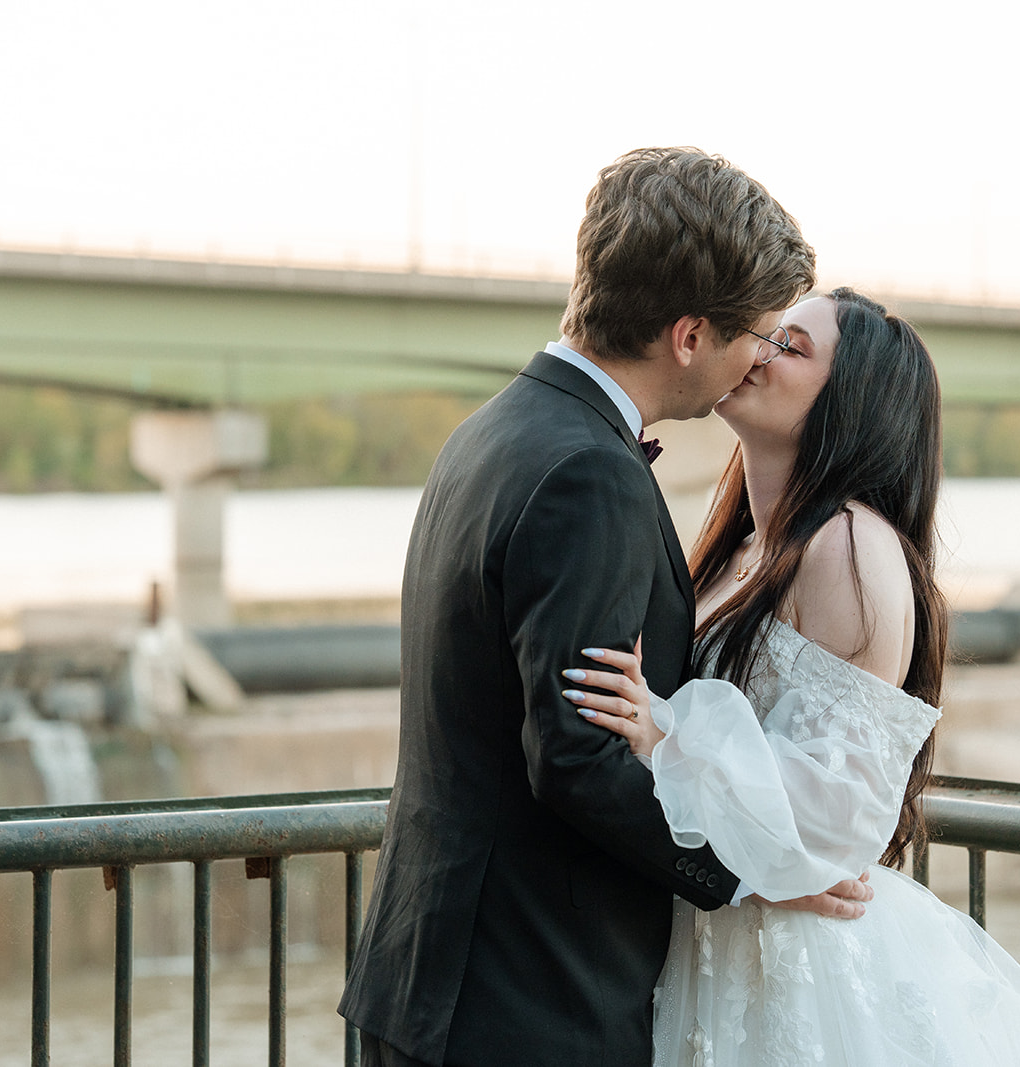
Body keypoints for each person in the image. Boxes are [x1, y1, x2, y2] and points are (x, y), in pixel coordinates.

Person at [338, 148, 874, 1067]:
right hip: (528, 1007)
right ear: (690, 335)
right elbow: (577, 758)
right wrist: (746, 877)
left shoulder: (491, 433)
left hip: (424, 984)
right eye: (755, 334)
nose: (756, 359)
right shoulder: (589, 473)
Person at [563, 289, 1020, 1064]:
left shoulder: (848, 545)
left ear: (850, 400)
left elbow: (842, 813)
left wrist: (660, 733)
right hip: (716, 937)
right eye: (768, 334)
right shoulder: (741, 548)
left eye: (791, 346)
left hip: (793, 965)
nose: (757, 349)